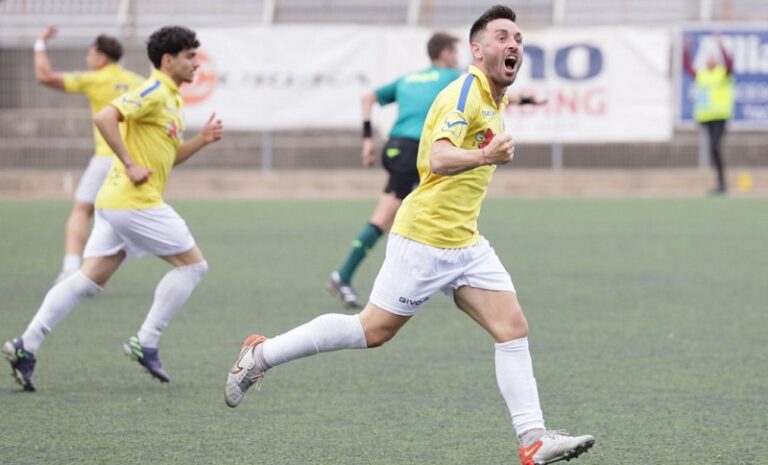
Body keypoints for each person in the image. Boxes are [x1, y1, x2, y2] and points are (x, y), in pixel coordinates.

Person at [226, 6, 594, 465]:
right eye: (502, 36)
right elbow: (438, 158)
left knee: (512, 328)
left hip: (466, 243)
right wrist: (486, 156)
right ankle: (260, 356)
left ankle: (532, 439)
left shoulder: (493, 97)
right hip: (424, 239)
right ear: (477, 51)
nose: (514, 44)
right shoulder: (465, 92)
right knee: (371, 331)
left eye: (518, 37)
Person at [3, 26, 223, 391]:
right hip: (134, 203)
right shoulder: (152, 91)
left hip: (117, 203)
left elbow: (169, 158)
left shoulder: (172, 98)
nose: (196, 64)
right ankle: (146, 341)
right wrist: (129, 162)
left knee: (88, 281)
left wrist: (201, 140)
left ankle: (26, 345)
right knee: (194, 267)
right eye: (189, 57)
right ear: (167, 61)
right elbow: (105, 117)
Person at [327, 32, 462, 308]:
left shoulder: (409, 79)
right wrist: (526, 101)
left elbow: (368, 98)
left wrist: (367, 140)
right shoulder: (450, 77)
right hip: (414, 150)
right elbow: (489, 90)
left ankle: (429, 275)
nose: (458, 58)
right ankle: (343, 275)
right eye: (456, 52)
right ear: (446, 53)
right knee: (383, 218)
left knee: (412, 213)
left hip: (396, 147)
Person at [33, 26, 145, 283]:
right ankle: (102, 267)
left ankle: (71, 270)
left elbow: (44, 76)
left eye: (90, 54)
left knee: (82, 210)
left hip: (107, 156)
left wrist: (39, 44)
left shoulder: (95, 79)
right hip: (134, 161)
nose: (87, 59)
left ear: (102, 58)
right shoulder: (137, 81)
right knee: (117, 215)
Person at [683, 33, 734, 195]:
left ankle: (722, 182)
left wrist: (721, 46)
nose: (709, 60)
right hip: (706, 118)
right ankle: (719, 182)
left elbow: (729, 64)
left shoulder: (722, 73)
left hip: (720, 117)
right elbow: (687, 67)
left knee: (715, 147)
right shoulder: (702, 74)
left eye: (712, 58)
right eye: (708, 58)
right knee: (711, 149)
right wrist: (686, 49)